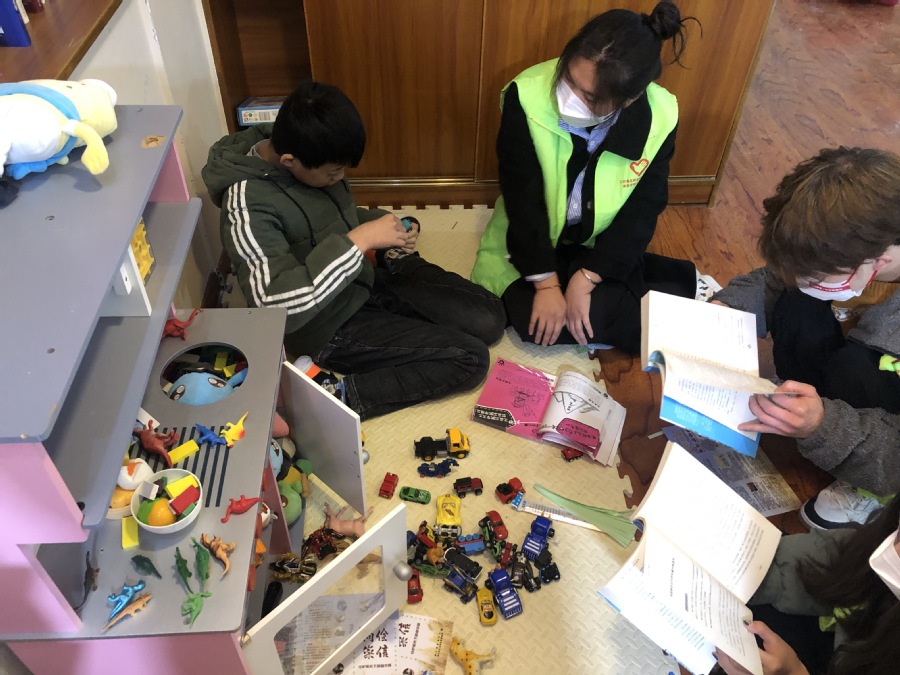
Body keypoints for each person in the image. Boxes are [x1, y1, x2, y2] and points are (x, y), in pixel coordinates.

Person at [202, 81, 506, 420]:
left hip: (362, 278)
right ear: (289, 161)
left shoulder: (306, 143)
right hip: (326, 325)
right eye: (334, 173)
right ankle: (339, 397)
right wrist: (360, 240)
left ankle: (395, 259)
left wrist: (388, 226)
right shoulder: (246, 205)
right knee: (470, 359)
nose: (340, 178)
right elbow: (273, 304)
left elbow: (334, 219)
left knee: (490, 318)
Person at [470, 1, 698, 353]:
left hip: (596, 242)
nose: (570, 99)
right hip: (532, 239)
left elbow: (643, 208)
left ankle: (659, 291)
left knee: (590, 312)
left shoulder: (660, 115)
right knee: (534, 321)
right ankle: (649, 290)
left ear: (630, 98)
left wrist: (588, 277)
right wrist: (547, 285)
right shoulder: (526, 95)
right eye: (568, 79)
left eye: (590, 97)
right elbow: (523, 202)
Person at [711, 147, 900, 528]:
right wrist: (728, 309)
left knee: (858, 369)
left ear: (878, 262)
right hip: (850, 362)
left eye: (815, 277)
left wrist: (823, 427)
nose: (800, 278)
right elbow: (775, 278)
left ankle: (875, 492)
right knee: (797, 300)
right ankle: (812, 404)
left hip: (888, 430)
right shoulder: (849, 245)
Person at [715, 492, 900, 675]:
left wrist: (793, 672)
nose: (895, 548)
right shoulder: (880, 537)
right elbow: (816, 562)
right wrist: (741, 570)